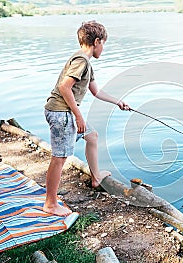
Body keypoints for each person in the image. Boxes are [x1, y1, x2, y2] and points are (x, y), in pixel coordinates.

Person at [43, 21, 130, 216]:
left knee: (92, 136)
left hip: (65, 112)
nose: (103, 48)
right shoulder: (81, 61)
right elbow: (64, 87)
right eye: (103, 43)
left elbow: (96, 92)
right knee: (60, 158)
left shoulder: (85, 63)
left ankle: (96, 177)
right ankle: (50, 204)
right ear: (97, 41)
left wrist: (118, 102)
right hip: (61, 113)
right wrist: (78, 115)